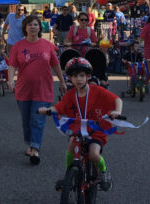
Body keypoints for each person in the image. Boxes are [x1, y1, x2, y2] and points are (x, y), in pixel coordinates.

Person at [37, 58, 122, 192]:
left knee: (93, 154)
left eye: (82, 75)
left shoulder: (97, 91)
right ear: (70, 78)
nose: (79, 79)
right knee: (71, 144)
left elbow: (117, 99)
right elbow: (59, 107)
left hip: (96, 131)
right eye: (75, 76)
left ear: (88, 76)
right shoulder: (70, 95)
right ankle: (68, 175)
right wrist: (47, 110)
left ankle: (104, 172)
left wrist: (117, 111)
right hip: (78, 130)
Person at [7, 15, 67, 165]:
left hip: (43, 89)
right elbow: (12, 65)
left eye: (35, 24)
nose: (33, 27)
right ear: (25, 28)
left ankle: (35, 149)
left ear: (40, 28)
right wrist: (10, 80)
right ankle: (30, 143)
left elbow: (55, 64)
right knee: (26, 121)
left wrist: (62, 81)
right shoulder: (18, 46)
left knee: (38, 120)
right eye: (29, 25)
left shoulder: (47, 45)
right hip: (24, 89)